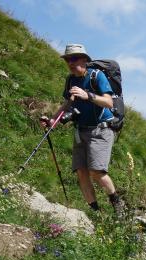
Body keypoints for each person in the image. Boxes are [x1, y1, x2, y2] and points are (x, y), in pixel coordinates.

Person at [41, 44, 122, 213]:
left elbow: (109, 102)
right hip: (80, 130)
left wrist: (88, 95)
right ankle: (95, 213)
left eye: (74, 58)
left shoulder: (96, 76)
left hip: (100, 130)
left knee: (97, 171)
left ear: (84, 59)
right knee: (81, 172)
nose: (70, 62)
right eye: (68, 59)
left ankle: (118, 205)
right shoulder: (70, 79)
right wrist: (52, 121)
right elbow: (67, 103)